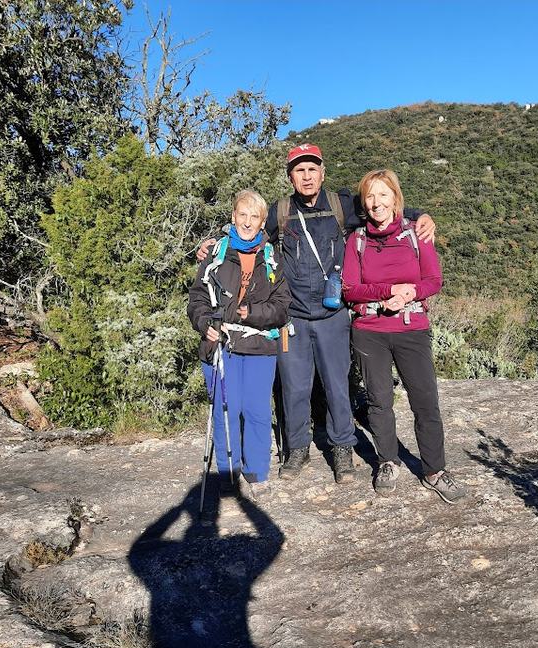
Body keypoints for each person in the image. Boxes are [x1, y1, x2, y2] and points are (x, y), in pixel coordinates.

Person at [198, 144, 436, 484]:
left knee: (337, 385)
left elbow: (384, 207)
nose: (307, 176)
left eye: (312, 169)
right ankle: (297, 449)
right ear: (291, 177)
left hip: (333, 314)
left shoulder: (343, 206)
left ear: (322, 173)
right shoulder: (281, 213)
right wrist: (213, 242)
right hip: (291, 317)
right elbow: (247, 235)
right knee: (294, 387)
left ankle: (342, 448)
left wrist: (421, 214)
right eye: (299, 170)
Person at [342, 169, 465, 504]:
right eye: (370, 196)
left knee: (425, 401)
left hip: (412, 330)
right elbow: (351, 289)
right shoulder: (357, 241)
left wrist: (409, 292)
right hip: (370, 332)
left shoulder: (416, 235)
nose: (376, 202)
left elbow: (434, 280)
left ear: (396, 200)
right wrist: (388, 291)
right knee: (380, 401)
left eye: (383, 195)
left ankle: (434, 470)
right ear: (363, 203)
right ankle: (387, 461)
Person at [187, 189, 290, 498]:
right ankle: (229, 472)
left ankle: (257, 471)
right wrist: (205, 324)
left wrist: (253, 313)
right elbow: (198, 298)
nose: (247, 222)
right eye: (242, 215)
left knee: (257, 409)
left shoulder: (272, 257)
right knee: (225, 410)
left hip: (259, 346)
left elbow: (283, 305)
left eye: (254, 217)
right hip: (221, 344)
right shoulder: (215, 253)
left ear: (262, 223)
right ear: (233, 217)